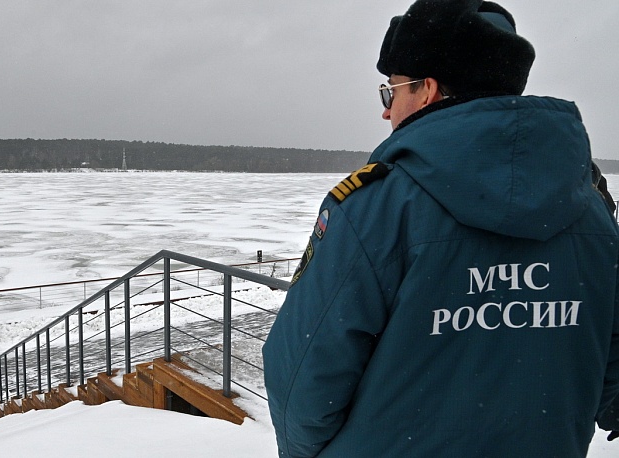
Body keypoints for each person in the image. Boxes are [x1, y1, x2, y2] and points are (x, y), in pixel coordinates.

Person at [262, 0, 619, 456]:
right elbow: (610, 360)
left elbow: (305, 378)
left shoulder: (378, 207)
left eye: (390, 92)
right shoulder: (590, 210)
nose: (386, 113)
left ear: (426, 89)